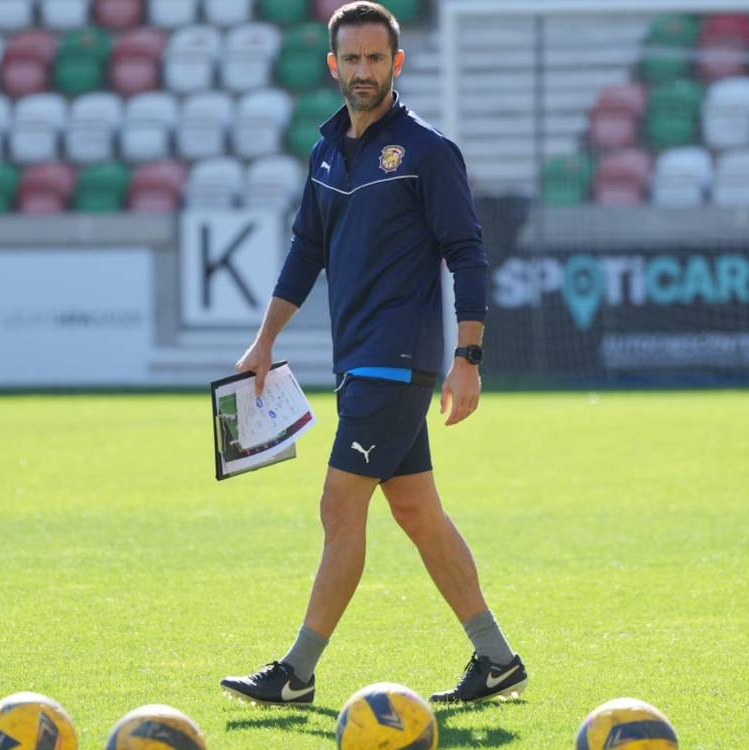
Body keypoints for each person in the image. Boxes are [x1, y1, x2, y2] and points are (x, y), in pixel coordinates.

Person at [219, 1, 527, 707]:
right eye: (351, 59)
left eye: (375, 59)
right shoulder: (327, 149)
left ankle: (296, 672)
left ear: (397, 63)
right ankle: (497, 659)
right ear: (333, 66)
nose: (363, 71)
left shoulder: (426, 150)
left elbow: (468, 253)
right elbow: (306, 252)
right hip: (357, 357)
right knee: (416, 511)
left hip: (397, 358)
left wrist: (468, 356)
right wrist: (264, 341)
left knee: (338, 505)